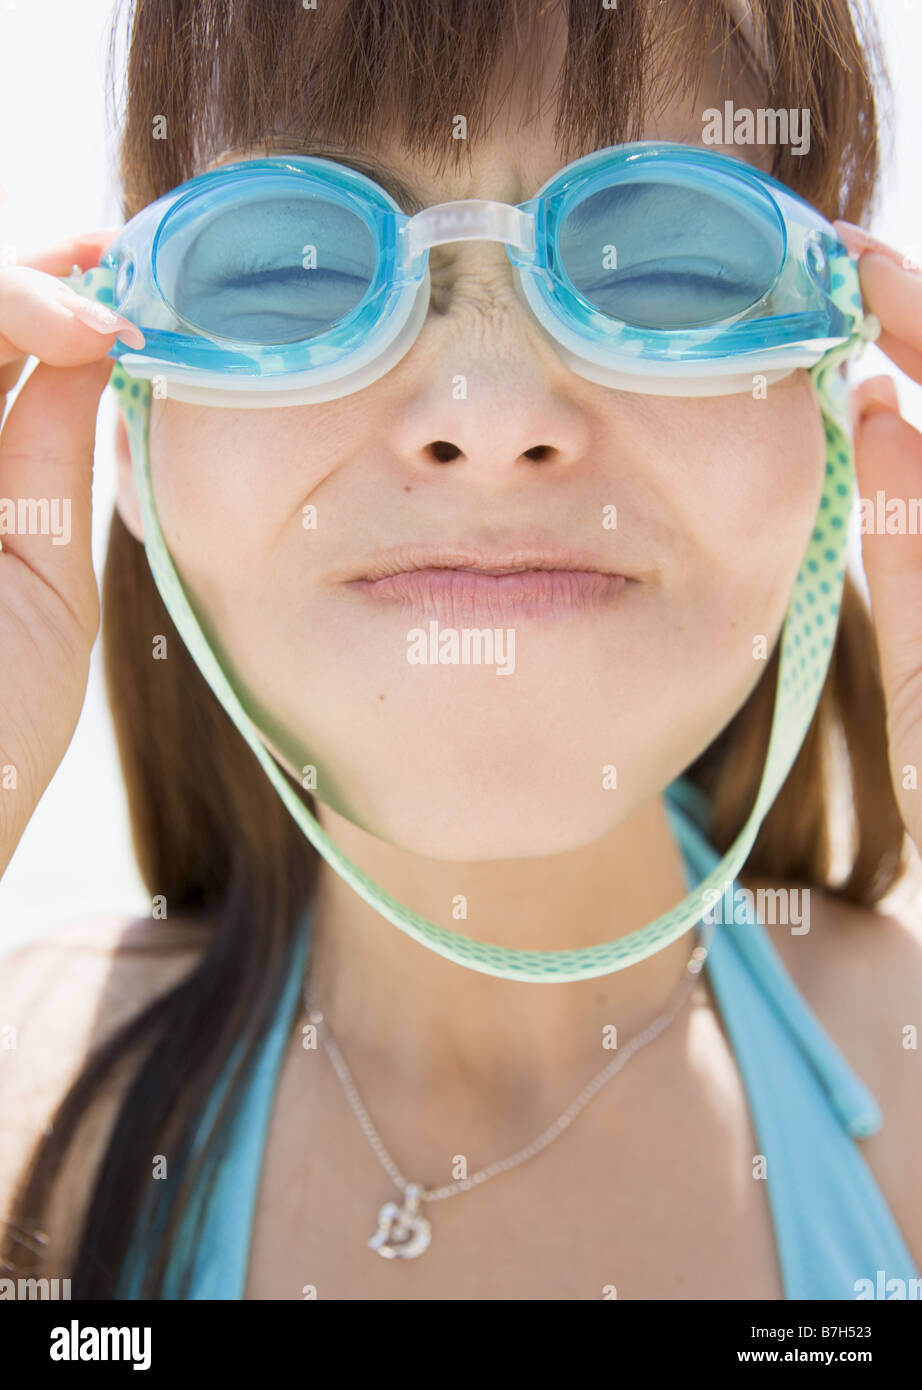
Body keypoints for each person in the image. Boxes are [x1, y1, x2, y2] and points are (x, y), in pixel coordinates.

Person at [1, 0, 921, 1301]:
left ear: (834, 409)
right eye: (293, 270)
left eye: (671, 264)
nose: (488, 414)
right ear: (131, 445)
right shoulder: (24, 1104)